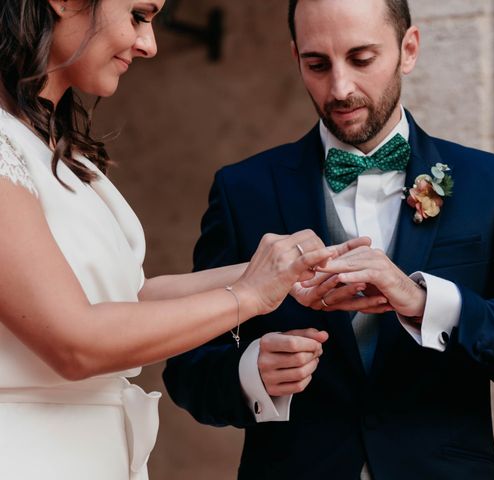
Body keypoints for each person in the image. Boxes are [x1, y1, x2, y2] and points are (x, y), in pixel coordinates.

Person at [163, 0, 494, 478]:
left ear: (409, 49)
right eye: (317, 64)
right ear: (296, 56)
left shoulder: (491, 184)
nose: (340, 88)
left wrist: (425, 302)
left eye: (361, 59)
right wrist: (250, 375)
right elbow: (188, 367)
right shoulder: (244, 190)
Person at [0, 1, 367, 478]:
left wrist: (279, 269)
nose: (149, 44)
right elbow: (76, 344)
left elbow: (126, 299)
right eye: (138, 14)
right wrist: (249, 295)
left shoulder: (59, 150)